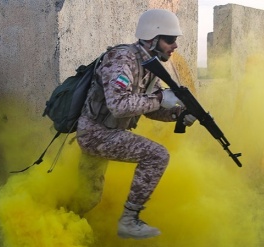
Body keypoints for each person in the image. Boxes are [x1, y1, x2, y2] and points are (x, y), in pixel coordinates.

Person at [74, 9, 197, 239]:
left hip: (107, 133)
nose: (175, 46)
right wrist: (161, 99)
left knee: (88, 196)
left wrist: (177, 115)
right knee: (157, 156)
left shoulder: (149, 66)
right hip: (96, 133)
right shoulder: (123, 59)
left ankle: (62, 225)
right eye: (170, 40)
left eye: (175, 40)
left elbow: (150, 109)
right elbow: (118, 105)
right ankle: (129, 220)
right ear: (152, 37)